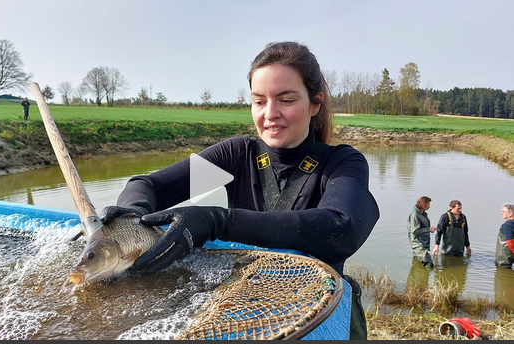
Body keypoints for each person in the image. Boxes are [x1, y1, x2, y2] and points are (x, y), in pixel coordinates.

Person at [99, 41, 380, 339]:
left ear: (315, 104)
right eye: (259, 101)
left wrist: (219, 222)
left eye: (285, 100)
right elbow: (148, 186)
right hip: (246, 317)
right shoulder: (237, 156)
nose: (270, 113)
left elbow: (342, 227)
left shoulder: (339, 162)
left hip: (321, 319)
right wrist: (132, 215)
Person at [406, 196, 436, 268]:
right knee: (428, 262)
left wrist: (430, 229)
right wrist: (428, 229)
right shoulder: (415, 215)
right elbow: (414, 230)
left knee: (417, 262)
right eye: (428, 204)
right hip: (417, 243)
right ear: (423, 204)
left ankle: (418, 276)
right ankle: (428, 276)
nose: (429, 206)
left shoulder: (423, 213)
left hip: (423, 242)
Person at [495, 203, 514, 269]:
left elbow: (510, 241)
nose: (501, 213)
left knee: (502, 275)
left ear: (510, 213)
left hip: (504, 259)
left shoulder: (508, 225)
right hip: (508, 257)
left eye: (503, 211)